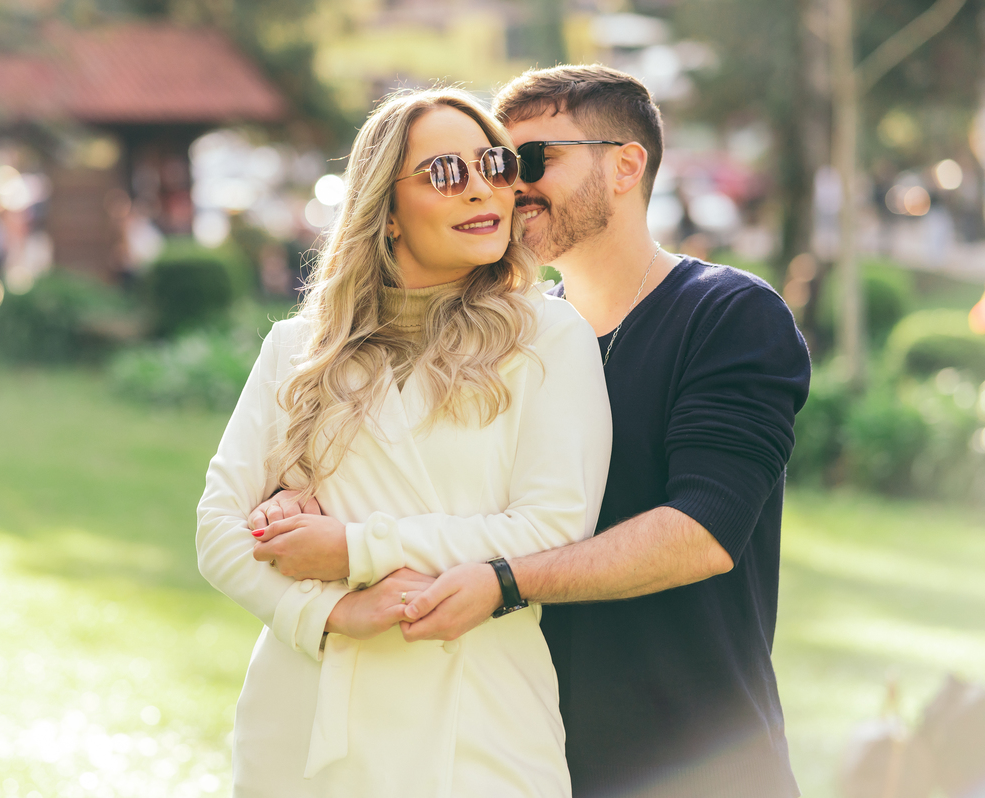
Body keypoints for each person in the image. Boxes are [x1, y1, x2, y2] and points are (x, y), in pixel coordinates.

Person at [256, 66, 812, 798]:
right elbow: (424, 484)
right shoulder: (510, 338)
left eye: (530, 161)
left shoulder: (728, 316)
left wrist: (505, 582)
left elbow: (701, 534)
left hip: (696, 756)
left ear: (625, 164)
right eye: (494, 163)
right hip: (525, 753)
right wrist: (301, 497)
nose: (506, 187)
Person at [195, 87, 611, 797]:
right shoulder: (299, 348)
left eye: (495, 165)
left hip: (478, 723)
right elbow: (218, 531)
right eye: (448, 173)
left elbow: (550, 530)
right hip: (307, 718)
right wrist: (327, 613)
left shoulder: (547, 337)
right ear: (385, 211)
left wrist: (355, 549)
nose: (482, 189)